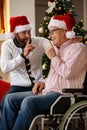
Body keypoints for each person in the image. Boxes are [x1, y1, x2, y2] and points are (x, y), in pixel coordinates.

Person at [0, 12, 87, 130]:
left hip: (64, 95)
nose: (50, 36)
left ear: (63, 31)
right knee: (10, 99)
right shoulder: (57, 49)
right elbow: (56, 76)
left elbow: (67, 73)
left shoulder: (79, 48)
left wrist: (53, 57)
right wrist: (44, 82)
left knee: (29, 102)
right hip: (47, 90)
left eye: (52, 31)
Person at [0, 15, 53, 111]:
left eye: (29, 31)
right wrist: (22, 56)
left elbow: (53, 47)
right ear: (16, 33)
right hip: (18, 87)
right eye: (24, 32)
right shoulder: (7, 45)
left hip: (37, 86)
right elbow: (4, 68)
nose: (28, 35)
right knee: (4, 103)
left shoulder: (39, 41)